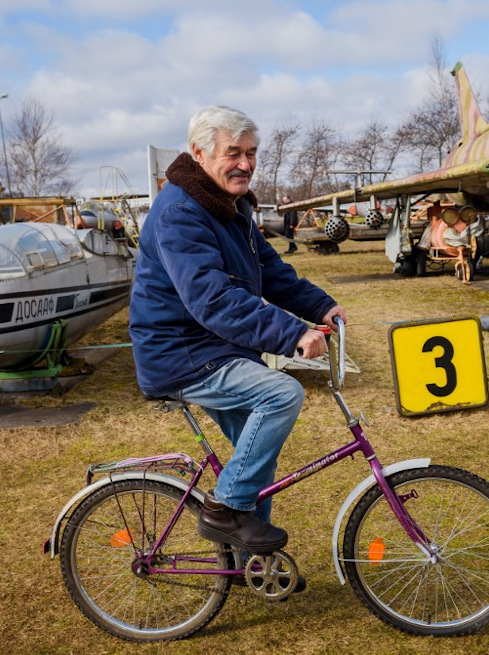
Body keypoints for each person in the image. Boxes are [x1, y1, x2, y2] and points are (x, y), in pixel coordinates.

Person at [129, 106, 346, 577]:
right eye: (234, 153)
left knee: (256, 466)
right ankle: (222, 510)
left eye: (251, 153)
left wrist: (321, 307)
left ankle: (252, 567)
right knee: (282, 393)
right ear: (199, 154)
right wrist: (293, 335)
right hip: (182, 354)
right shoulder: (180, 211)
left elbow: (270, 272)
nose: (245, 164)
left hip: (213, 348)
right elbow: (212, 299)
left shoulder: (229, 208)